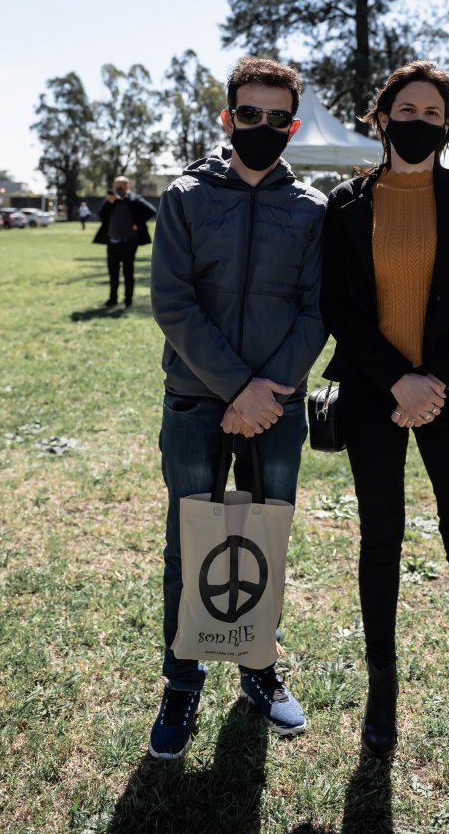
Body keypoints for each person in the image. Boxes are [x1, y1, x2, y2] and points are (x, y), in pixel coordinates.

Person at [321, 60, 449, 772]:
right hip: (374, 395)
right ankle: (382, 693)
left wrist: (434, 381)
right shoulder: (346, 203)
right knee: (382, 538)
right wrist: (396, 380)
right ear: (381, 117)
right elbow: (339, 304)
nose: (420, 120)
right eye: (408, 107)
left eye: (434, 112)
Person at [149, 56, 326, 760]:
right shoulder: (185, 198)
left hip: (277, 409)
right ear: (228, 118)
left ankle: (258, 668)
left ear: (291, 123)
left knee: (264, 541)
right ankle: (181, 681)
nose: (260, 126)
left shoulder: (310, 209)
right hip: (197, 403)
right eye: (247, 114)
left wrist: (266, 393)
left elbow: (317, 310)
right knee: (189, 544)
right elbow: (173, 303)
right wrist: (234, 390)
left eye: (274, 118)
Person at [92, 176, 156, 308]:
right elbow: (101, 216)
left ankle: (128, 300)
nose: (118, 188)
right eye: (116, 186)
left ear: (127, 186)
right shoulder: (111, 201)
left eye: (120, 185)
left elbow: (151, 211)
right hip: (112, 242)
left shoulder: (134, 200)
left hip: (129, 242)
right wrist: (109, 202)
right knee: (113, 272)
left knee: (128, 272)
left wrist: (138, 223)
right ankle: (112, 299)